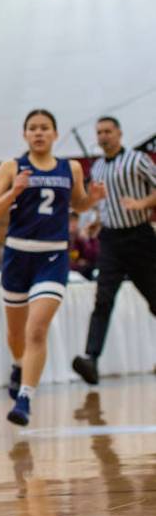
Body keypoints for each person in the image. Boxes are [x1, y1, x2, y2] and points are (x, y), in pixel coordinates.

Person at [0, 109, 105, 426]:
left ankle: (25, 397)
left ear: (54, 133)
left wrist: (91, 200)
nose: (39, 133)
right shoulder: (12, 166)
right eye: (33, 128)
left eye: (45, 128)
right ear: (25, 134)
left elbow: (76, 204)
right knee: (16, 334)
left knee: (37, 329)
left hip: (53, 257)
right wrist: (14, 191)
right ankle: (17, 363)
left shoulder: (71, 167)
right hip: (17, 256)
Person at [71, 117, 156, 383]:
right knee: (103, 300)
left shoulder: (137, 159)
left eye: (108, 131)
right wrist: (97, 223)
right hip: (110, 240)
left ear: (119, 133)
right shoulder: (96, 169)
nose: (103, 136)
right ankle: (91, 359)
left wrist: (141, 203)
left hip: (140, 237)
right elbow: (101, 203)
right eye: (99, 132)